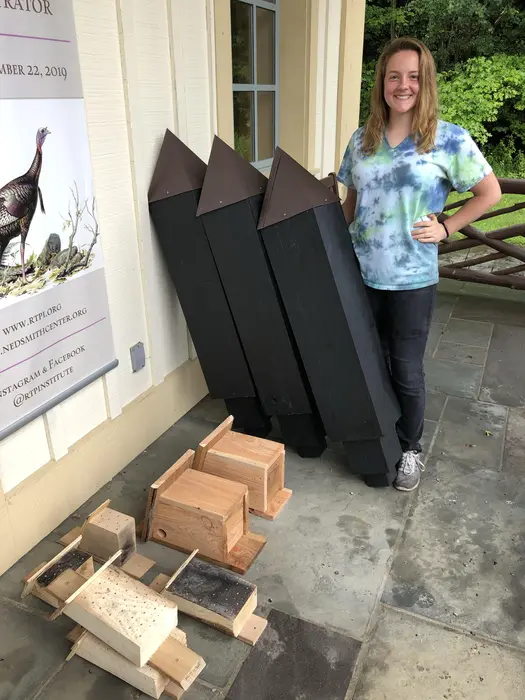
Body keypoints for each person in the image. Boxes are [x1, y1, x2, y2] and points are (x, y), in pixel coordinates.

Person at [337, 37, 501, 492]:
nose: (403, 85)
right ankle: (373, 434)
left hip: (411, 278)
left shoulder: (448, 138)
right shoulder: (361, 139)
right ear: (382, 83)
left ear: (424, 83)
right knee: (364, 361)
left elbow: (490, 193)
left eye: (413, 76)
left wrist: (448, 229)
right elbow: (350, 205)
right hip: (359, 273)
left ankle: (410, 448)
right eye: (394, 76)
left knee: (405, 368)